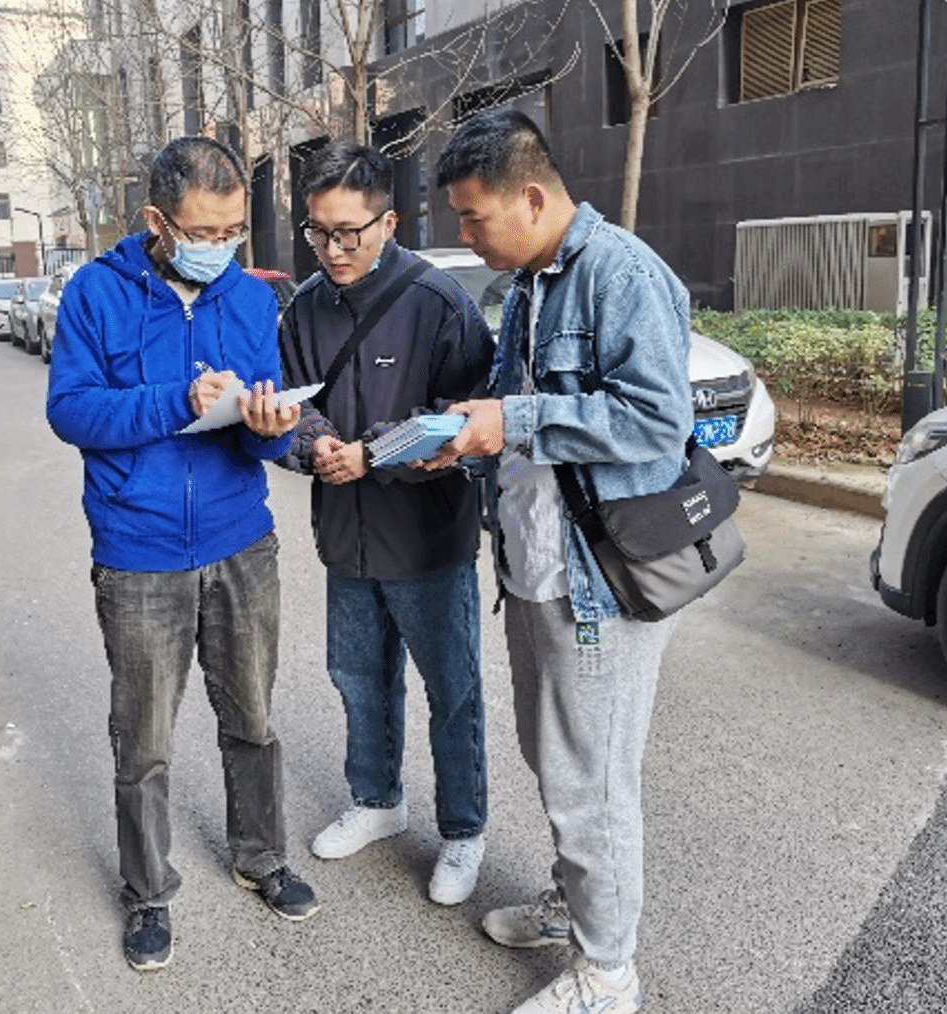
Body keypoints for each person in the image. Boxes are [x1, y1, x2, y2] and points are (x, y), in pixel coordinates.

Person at [427, 109, 694, 1014]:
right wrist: (465, 436)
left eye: (474, 219)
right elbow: (517, 412)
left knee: (594, 781)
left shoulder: (623, 275)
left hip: (599, 579)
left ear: (532, 198)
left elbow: (658, 422)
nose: (467, 237)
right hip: (535, 562)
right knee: (554, 760)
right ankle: (574, 908)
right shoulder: (530, 285)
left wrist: (516, 419)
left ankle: (608, 974)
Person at [46, 136, 319, 973]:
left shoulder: (249, 298)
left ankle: (261, 856)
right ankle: (148, 892)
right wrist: (176, 400)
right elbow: (72, 412)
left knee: (253, 719)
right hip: (139, 552)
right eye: (204, 232)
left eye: (234, 230)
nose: (220, 247)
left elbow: (264, 431)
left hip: (241, 541)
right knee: (144, 738)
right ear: (157, 221)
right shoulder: (96, 293)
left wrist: (273, 428)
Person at [276, 142, 494, 905]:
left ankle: (463, 830)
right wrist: (314, 444)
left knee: (452, 690)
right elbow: (290, 402)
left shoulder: (439, 303)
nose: (333, 249)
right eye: (319, 232)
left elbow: (467, 421)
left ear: (389, 222)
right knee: (358, 679)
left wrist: (374, 453)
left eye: (350, 233)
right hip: (346, 536)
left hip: (429, 540)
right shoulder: (305, 308)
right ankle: (376, 800)